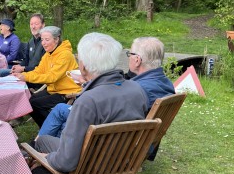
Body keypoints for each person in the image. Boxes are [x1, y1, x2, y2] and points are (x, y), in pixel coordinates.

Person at [26, 33, 148, 174]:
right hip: (116, 169)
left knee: (32, 152)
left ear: (82, 66)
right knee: (42, 142)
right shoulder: (137, 90)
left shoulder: (88, 101)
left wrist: (43, 158)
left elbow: (66, 162)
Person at [38, 36, 175, 138]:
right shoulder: (165, 83)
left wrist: (87, 84)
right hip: (142, 138)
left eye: (130, 54)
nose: (129, 57)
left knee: (61, 112)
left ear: (137, 60)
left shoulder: (136, 90)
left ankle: (40, 147)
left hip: (116, 139)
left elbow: (104, 109)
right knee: (62, 111)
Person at [12, 26, 82, 127]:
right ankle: (48, 127)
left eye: (47, 40)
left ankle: (50, 128)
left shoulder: (65, 55)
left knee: (34, 104)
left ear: (56, 39)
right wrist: (23, 75)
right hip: (54, 89)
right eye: (42, 39)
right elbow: (38, 71)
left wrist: (26, 77)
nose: (43, 43)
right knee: (30, 101)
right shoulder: (48, 55)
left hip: (67, 91)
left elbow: (52, 77)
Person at [0, 13, 46, 80]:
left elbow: (43, 68)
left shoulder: (46, 43)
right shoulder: (31, 41)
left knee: (2, 73)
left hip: (35, 75)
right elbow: (26, 60)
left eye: (36, 24)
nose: (33, 27)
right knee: (1, 72)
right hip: (26, 71)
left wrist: (23, 68)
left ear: (43, 25)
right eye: (31, 24)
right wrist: (18, 66)